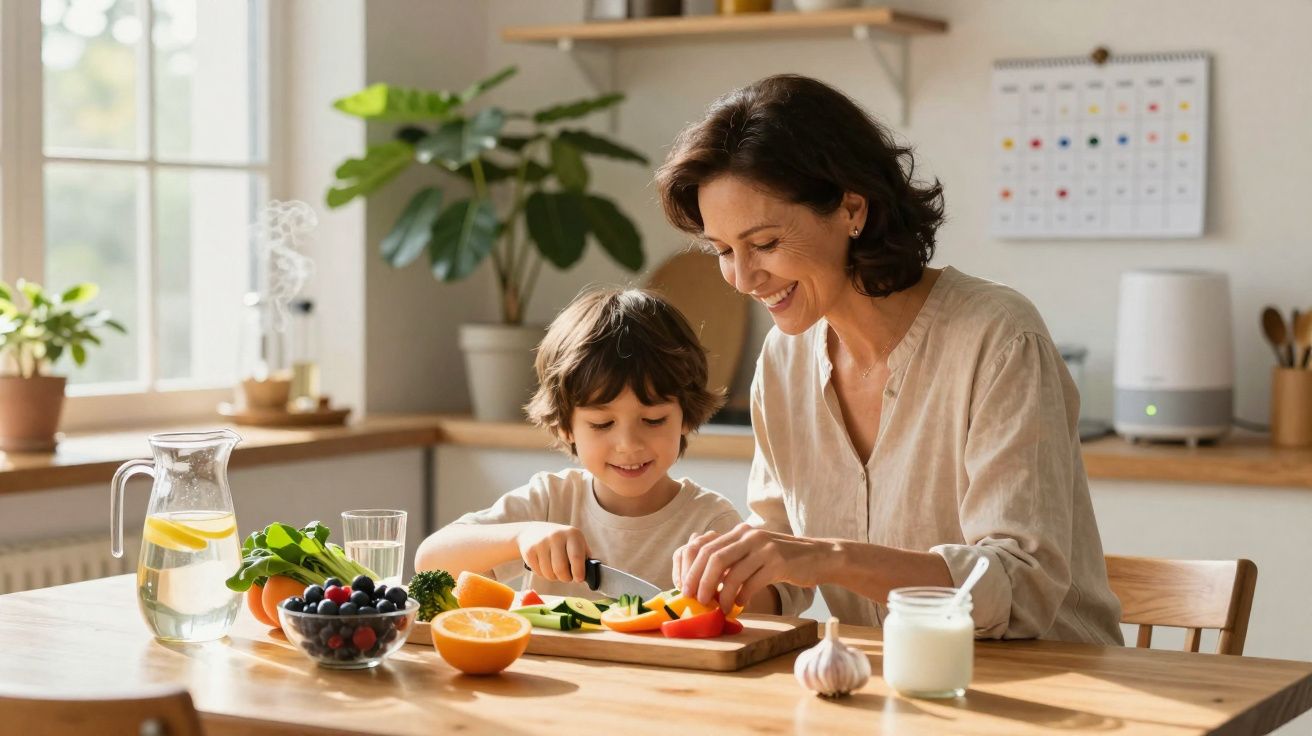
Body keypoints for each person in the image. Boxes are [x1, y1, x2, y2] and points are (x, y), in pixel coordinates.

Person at [654, 74, 1123, 643]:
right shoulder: (784, 358)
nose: (744, 279)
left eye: (766, 244)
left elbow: (1022, 588)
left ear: (853, 208)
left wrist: (823, 557)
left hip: (1054, 696)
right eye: (724, 251)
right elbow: (785, 551)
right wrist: (736, 577)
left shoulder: (997, 337)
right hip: (886, 693)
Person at [414, 288, 774, 607]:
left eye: (653, 420)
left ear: (686, 417)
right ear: (565, 426)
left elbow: (770, 610)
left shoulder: (709, 520)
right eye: (602, 424)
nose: (629, 445)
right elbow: (428, 561)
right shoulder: (549, 502)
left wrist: (728, 588)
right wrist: (520, 536)